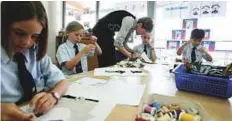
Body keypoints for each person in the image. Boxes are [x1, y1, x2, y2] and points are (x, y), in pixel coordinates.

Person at [1, 2, 69, 121]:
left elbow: (62, 81)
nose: (27, 42)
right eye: (19, 33)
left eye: (35, 36)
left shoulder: (35, 52)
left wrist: (54, 96)